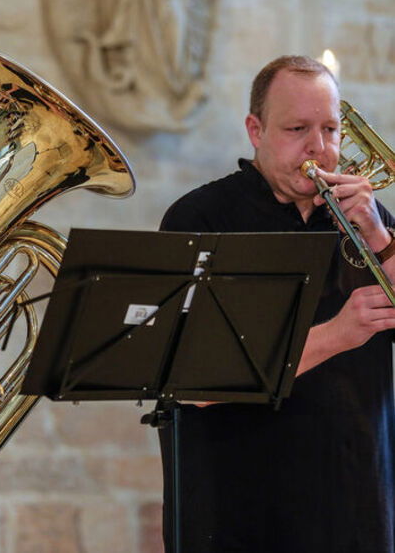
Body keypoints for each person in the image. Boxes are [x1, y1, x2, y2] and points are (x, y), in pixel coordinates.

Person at [159, 56, 395, 552]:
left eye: (330, 129)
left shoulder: (369, 218)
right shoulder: (201, 217)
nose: (319, 148)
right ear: (255, 130)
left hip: (358, 508)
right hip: (239, 513)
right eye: (297, 129)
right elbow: (195, 382)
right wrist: (337, 335)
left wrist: (379, 237)